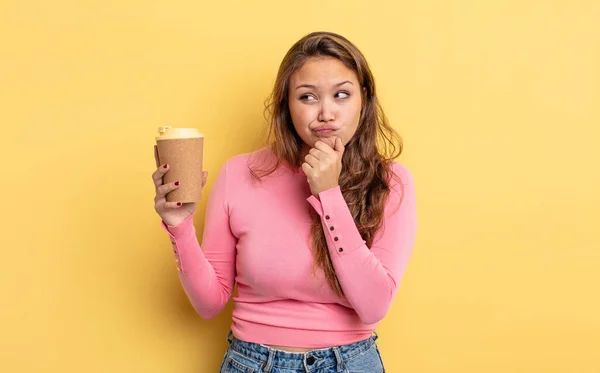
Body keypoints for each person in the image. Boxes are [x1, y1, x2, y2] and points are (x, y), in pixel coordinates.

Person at [152, 31, 417, 373]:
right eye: (307, 97)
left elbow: (374, 305)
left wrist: (328, 195)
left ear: (363, 99)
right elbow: (208, 303)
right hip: (253, 362)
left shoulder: (391, 182)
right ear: (286, 105)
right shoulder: (239, 174)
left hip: (350, 363)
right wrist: (179, 225)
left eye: (341, 95)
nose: (326, 113)